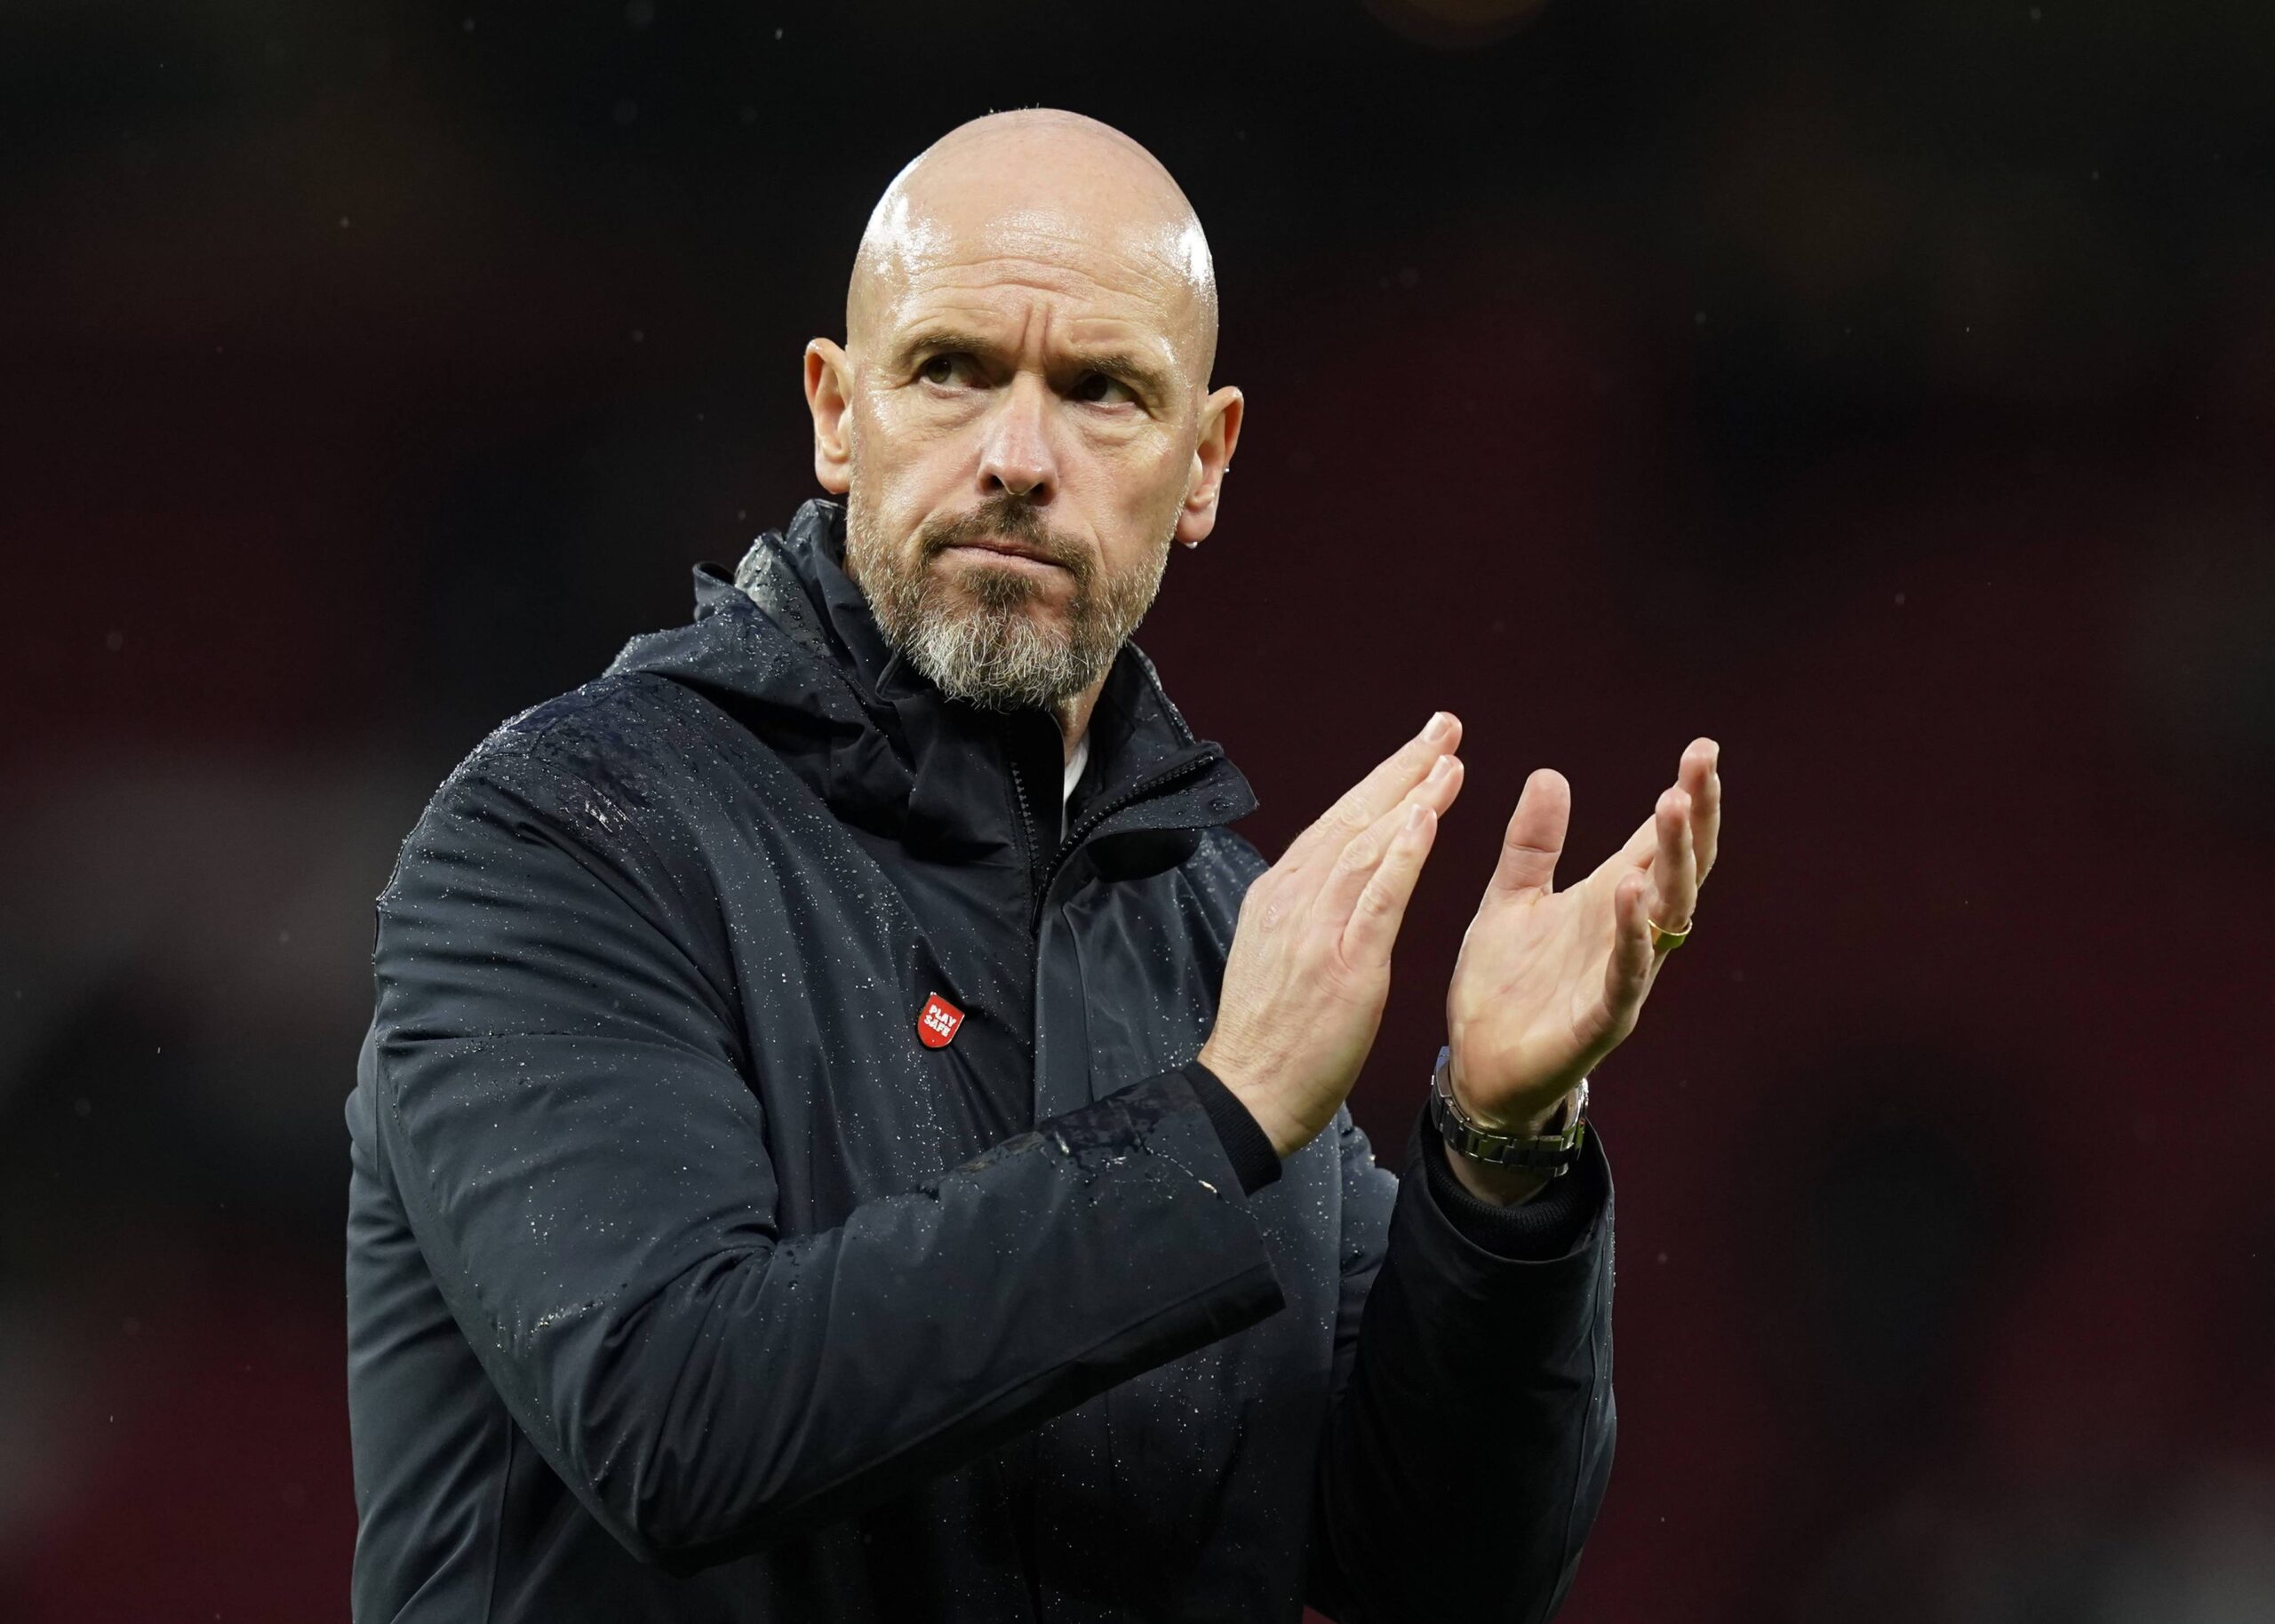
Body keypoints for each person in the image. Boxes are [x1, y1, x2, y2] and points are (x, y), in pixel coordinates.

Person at [345, 108, 1724, 1622]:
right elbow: (678, 1422)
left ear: (1204, 465)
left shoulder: (1217, 937)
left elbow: (1444, 1571)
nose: (1017, 456)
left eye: (1101, 393)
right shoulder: (567, 839)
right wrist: (1215, 1124)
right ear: (836, 411)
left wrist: (1498, 1154)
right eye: (951, 369)